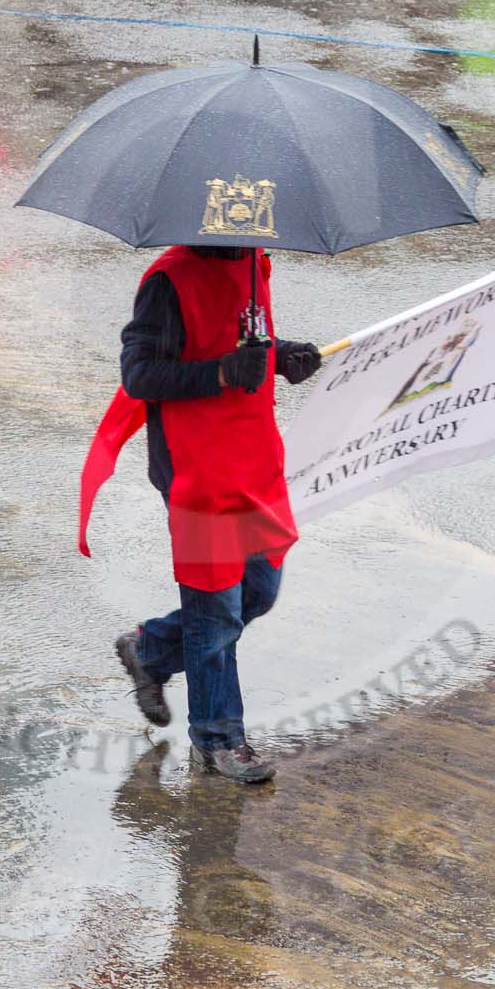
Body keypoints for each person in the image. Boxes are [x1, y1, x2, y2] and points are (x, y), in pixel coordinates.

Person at [82, 246, 321, 784]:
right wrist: (219, 375)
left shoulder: (252, 261)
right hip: (199, 473)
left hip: (255, 461)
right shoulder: (169, 280)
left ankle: (152, 648)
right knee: (216, 612)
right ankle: (219, 739)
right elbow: (140, 376)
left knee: (258, 592)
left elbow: (244, 340)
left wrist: (281, 356)